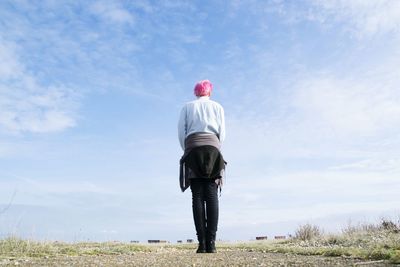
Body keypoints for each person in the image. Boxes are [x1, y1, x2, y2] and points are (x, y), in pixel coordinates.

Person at [178, 80, 226, 253]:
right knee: (212, 194)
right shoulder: (217, 107)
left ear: (195, 93)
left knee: (197, 195)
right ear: (209, 93)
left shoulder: (187, 107)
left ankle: (202, 244)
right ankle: (211, 244)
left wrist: (188, 149)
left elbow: (181, 132)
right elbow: (222, 133)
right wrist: (215, 148)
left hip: (192, 147)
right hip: (213, 148)